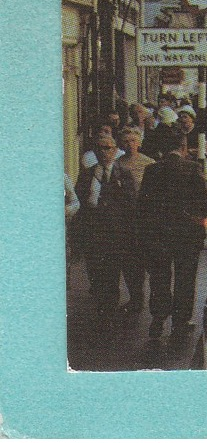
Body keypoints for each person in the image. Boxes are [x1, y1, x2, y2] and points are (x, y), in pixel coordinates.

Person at [137, 132, 207, 340]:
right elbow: (204, 202)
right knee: (185, 279)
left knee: (160, 278)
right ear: (184, 147)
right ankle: (180, 321)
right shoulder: (192, 169)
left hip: (159, 235)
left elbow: (143, 204)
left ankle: (158, 318)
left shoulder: (152, 170)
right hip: (187, 236)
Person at [107, 126, 156, 315]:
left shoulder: (149, 163)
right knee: (129, 260)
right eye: (126, 141)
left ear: (140, 142)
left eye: (133, 141)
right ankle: (136, 297)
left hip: (146, 217)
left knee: (147, 259)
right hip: (127, 218)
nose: (130, 145)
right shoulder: (118, 164)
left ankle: (149, 297)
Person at [74, 131, 124, 313]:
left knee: (111, 270)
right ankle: (102, 299)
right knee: (94, 269)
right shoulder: (87, 174)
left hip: (114, 231)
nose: (103, 152)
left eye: (107, 148)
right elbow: (79, 201)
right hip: (92, 229)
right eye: (99, 149)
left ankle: (109, 305)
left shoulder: (122, 174)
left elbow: (129, 203)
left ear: (115, 150)